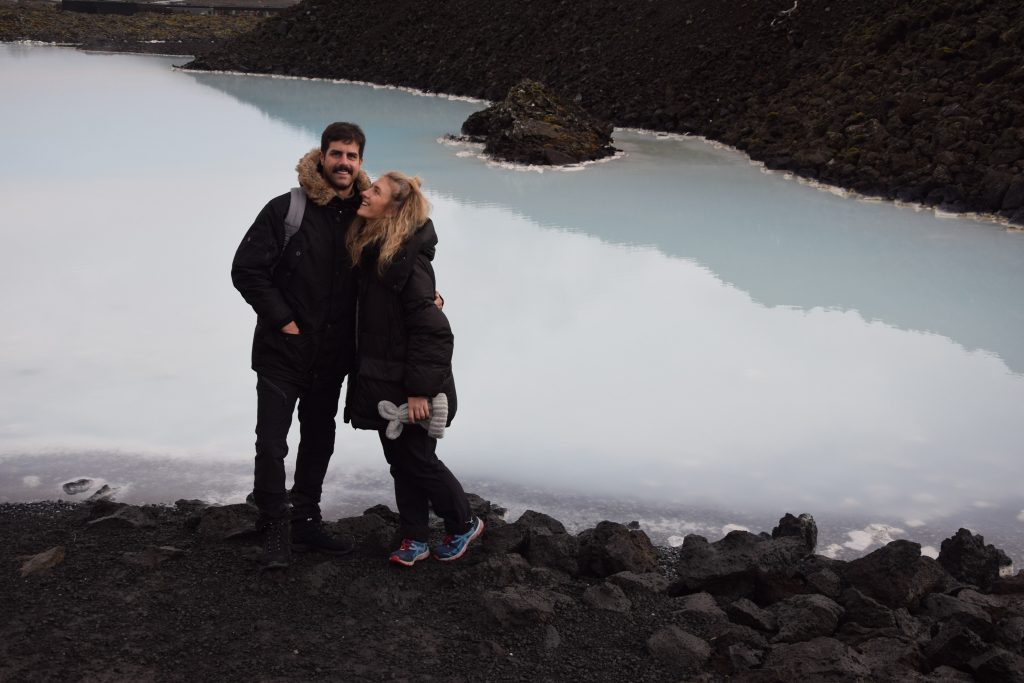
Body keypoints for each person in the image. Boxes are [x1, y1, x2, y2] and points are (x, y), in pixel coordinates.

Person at [231, 122, 369, 568]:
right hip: (282, 352)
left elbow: (402, 259)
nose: (343, 163)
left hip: (332, 357)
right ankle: (273, 526)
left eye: (351, 156)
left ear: (360, 162)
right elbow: (247, 269)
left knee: (318, 439)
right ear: (321, 156)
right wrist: (284, 320)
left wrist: (431, 294)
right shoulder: (287, 209)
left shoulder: (368, 216)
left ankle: (306, 519)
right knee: (271, 442)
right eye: (336, 154)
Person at [344, 171, 483, 566]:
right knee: (401, 462)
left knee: (419, 461)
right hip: (387, 381)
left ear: (395, 208)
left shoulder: (408, 260)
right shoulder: (375, 248)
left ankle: (463, 522)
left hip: (415, 388)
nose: (366, 193)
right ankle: (415, 537)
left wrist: (420, 391)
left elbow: (434, 331)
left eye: (376, 191)